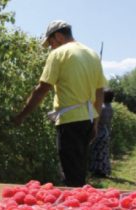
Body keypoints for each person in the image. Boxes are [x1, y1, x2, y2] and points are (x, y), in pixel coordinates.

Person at [13, 20, 107, 187]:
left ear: (58, 36)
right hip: (88, 120)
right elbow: (99, 93)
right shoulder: (92, 54)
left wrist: (21, 115)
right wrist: (96, 123)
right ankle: (80, 205)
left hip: (69, 121)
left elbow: (42, 88)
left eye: (51, 43)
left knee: (70, 175)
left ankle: (74, 209)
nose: (51, 47)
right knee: (79, 170)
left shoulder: (59, 54)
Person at [89, 88, 114, 177]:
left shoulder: (102, 107)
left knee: (97, 151)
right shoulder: (110, 107)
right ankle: (103, 170)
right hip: (105, 131)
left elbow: (95, 119)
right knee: (104, 152)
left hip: (99, 131)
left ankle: (97, 171)